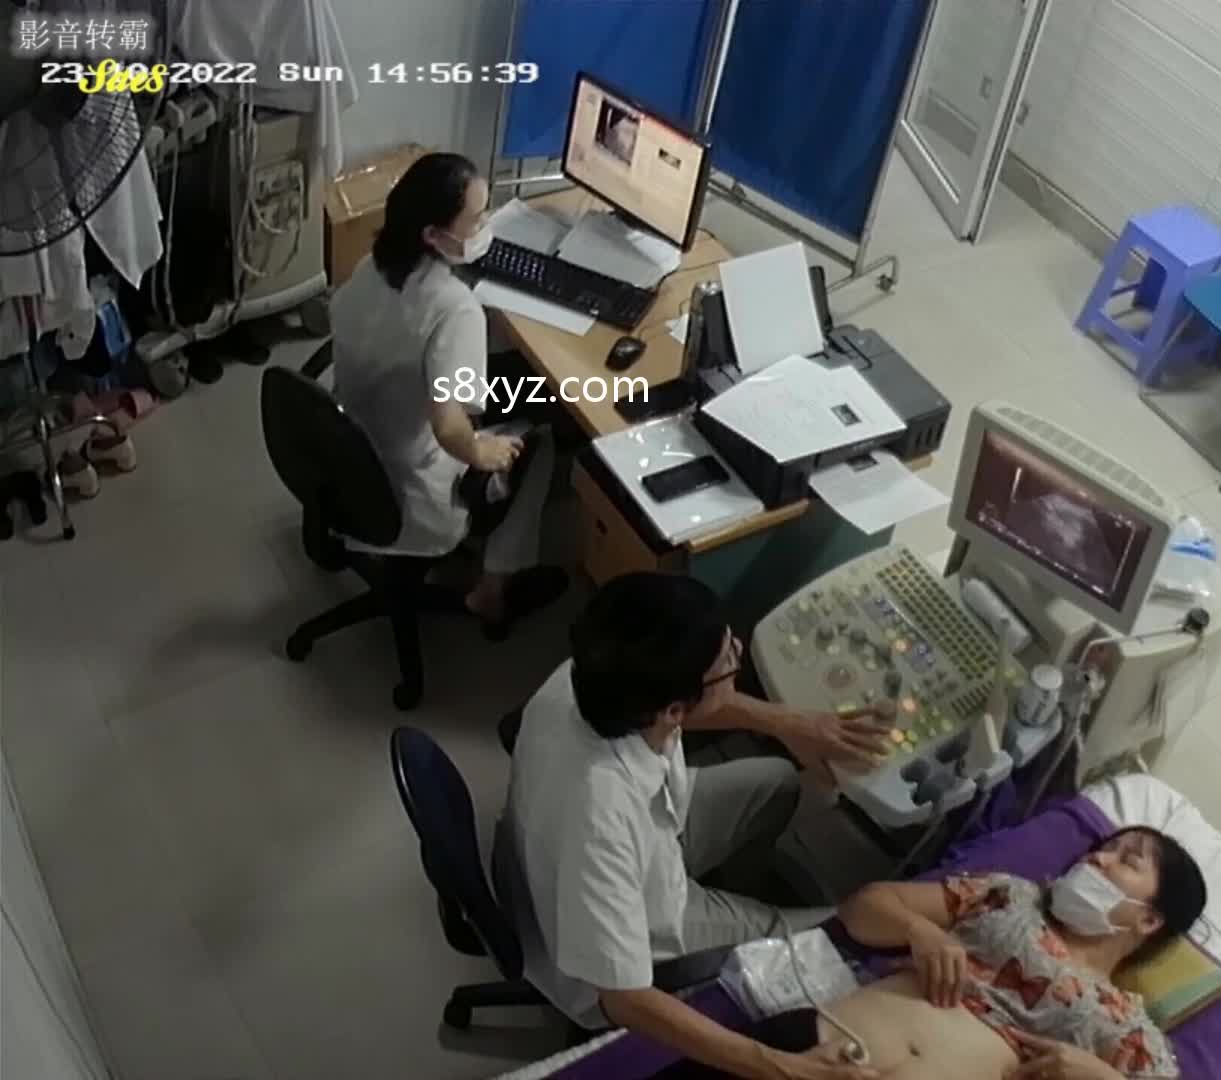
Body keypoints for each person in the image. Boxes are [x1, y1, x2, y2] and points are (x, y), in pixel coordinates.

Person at [495, 572, 900, 1080]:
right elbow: (623, 999)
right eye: (727, 659)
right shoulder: (599, 817)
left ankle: (737, 899)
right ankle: (739, 936)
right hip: (628, 937)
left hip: (644, 844)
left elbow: (695, 707)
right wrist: (781, 1068)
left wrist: (791, 722)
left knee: (776, 782)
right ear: (672, 709)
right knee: (833, 935)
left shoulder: (594, 676)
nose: (738, 652)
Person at [657, 827, 1208, 1080]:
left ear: (1149, 919)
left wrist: (1097, 1077)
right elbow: (863, 909)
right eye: (1102, 849)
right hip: (806, 1053)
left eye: (1126, 860)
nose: (1097, 860)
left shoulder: (1128, 1029)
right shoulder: (1010, 896)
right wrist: (919, 930)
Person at [329, 151, 559, 627]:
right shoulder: (455, 310)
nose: (484, 227)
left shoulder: (370, 267)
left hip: (356, 444)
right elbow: (450, 427)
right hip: (411, 484)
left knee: (517, 379)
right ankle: (491, 590)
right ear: (433, 235)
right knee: (546, 431)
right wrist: (482, 450)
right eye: (476, 219)